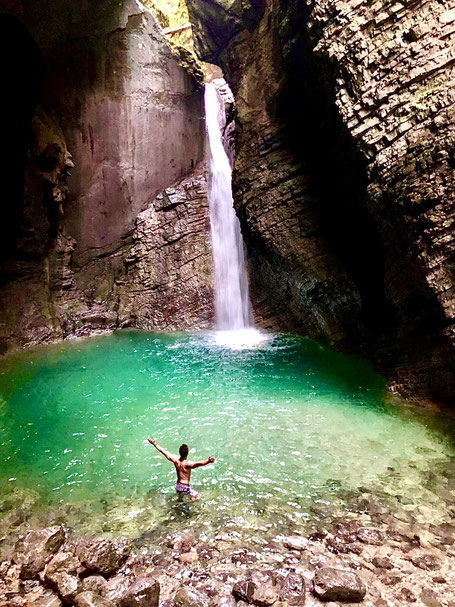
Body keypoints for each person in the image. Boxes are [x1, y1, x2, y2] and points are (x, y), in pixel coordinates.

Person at [148, 438, 215, 501]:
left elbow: (163, 452)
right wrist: (208, 461)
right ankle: (185, 503)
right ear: (187, 454)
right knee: (197, 497)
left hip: (178, 485)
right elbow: (198, 464)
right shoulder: (187, 464)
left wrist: (155, 444)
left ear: (179, 452)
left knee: (180, 499)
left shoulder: (175, 460)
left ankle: (179, 504)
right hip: (185, 487)